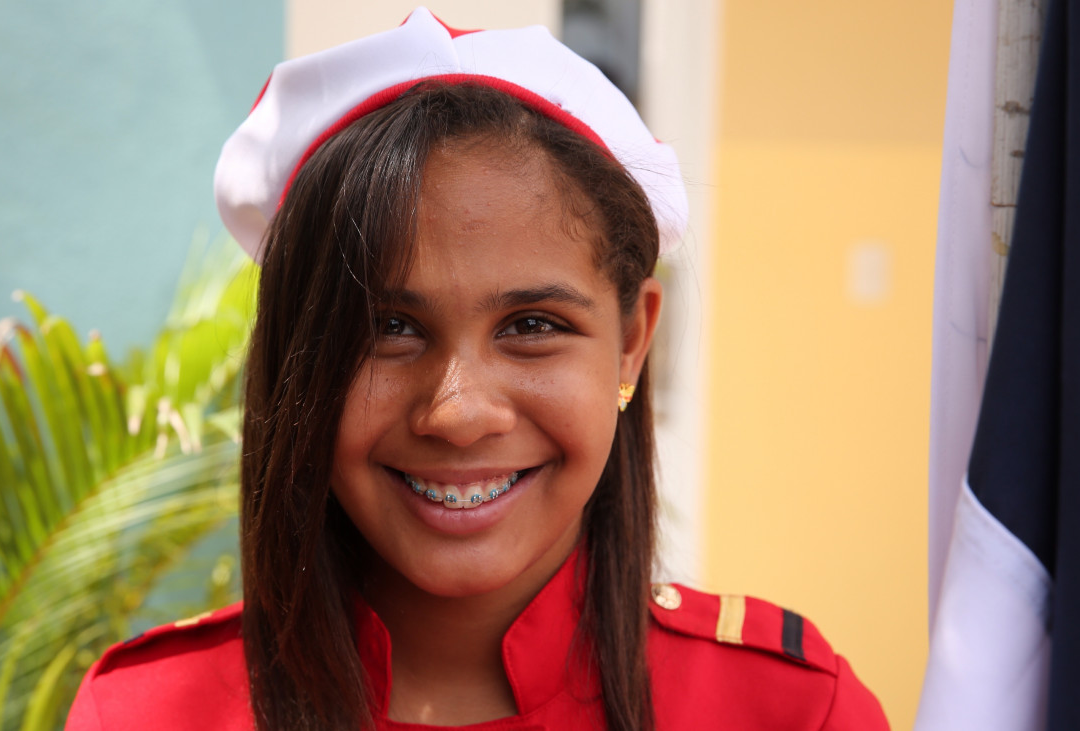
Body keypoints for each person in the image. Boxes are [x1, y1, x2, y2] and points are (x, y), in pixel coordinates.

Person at [65, 9, 889, 730]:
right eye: (388, 327)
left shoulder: (789, 709)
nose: (458, 412)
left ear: (633, 340)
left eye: (533, 326)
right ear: (295, 357)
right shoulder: (144, 712)